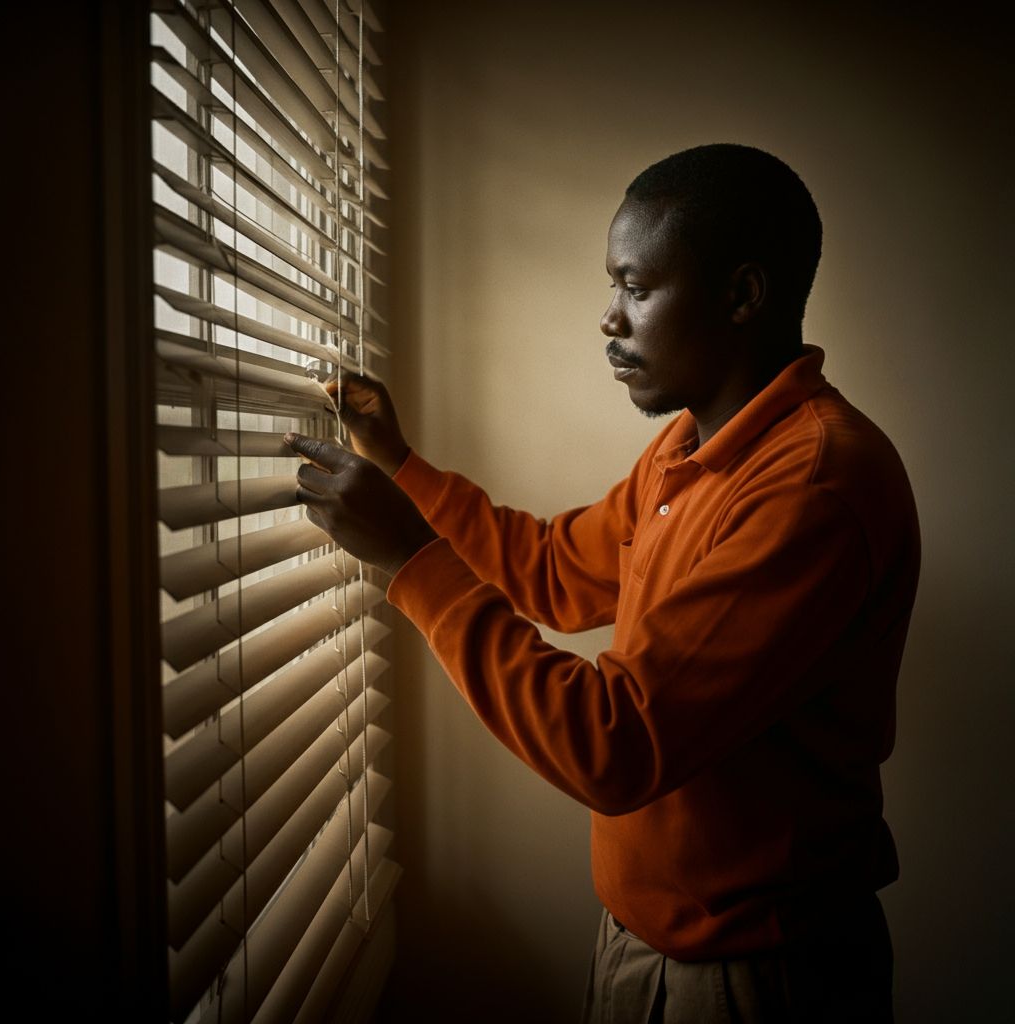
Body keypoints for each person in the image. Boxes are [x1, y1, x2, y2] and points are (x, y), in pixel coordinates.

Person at [286, 144, 920, 1023]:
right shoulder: (690, 446)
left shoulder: (814, 487)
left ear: (742, 295)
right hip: (645, 943)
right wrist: (396, 467)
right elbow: (552, 571)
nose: (608, 319)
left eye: (635, 287)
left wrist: (410, 564)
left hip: (755, 976)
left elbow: (614, 744)